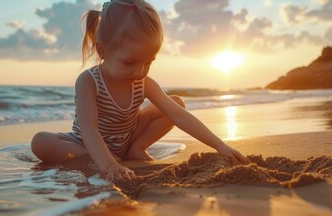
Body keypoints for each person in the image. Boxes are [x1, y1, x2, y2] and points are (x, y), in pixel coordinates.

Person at [31, 0, 248, 182]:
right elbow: (89, 130)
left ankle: (136, 149)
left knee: (176, 104)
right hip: (84, 144)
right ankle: (95, 158)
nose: (139, 71)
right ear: (102, 51)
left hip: (127, 138)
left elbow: (178, 116)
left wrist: (220, 145)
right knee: (40, 142)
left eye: (148, 62)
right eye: (130, 62)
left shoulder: (144, 83)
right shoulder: (88, 81)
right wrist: (109, 165)